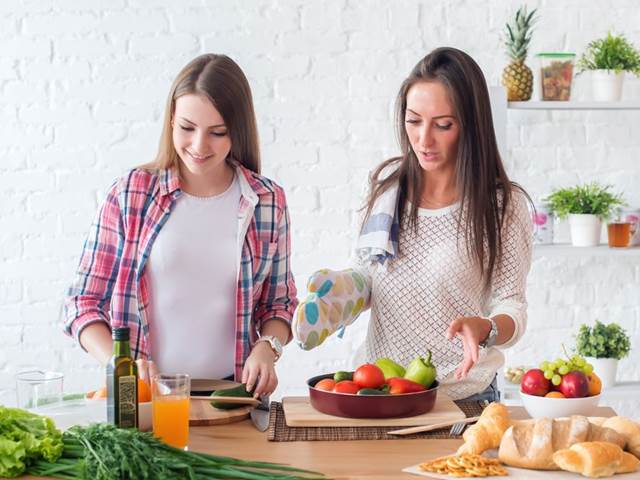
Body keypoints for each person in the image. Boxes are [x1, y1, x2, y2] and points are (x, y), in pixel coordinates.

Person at [293, 47, 533, 402]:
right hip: (378, 391)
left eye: (443, 125)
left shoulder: (500, 206)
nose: (423, 139)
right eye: (414, 120)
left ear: (471, 124)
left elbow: (512, 305)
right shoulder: (386, 190)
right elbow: (369, 276)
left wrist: (486, 328)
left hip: (462, 398)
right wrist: (340, 295)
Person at [64, 54, 297, 397]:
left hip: (231, 400)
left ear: (238, 130)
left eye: (217, 132)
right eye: (187, 128)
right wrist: (121, 364)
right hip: (145, 399)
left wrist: (268, 348)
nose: (199, 146)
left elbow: (279, 304)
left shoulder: (266, 200)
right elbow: (83, 303)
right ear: (171, 121)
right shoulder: (131, 194)